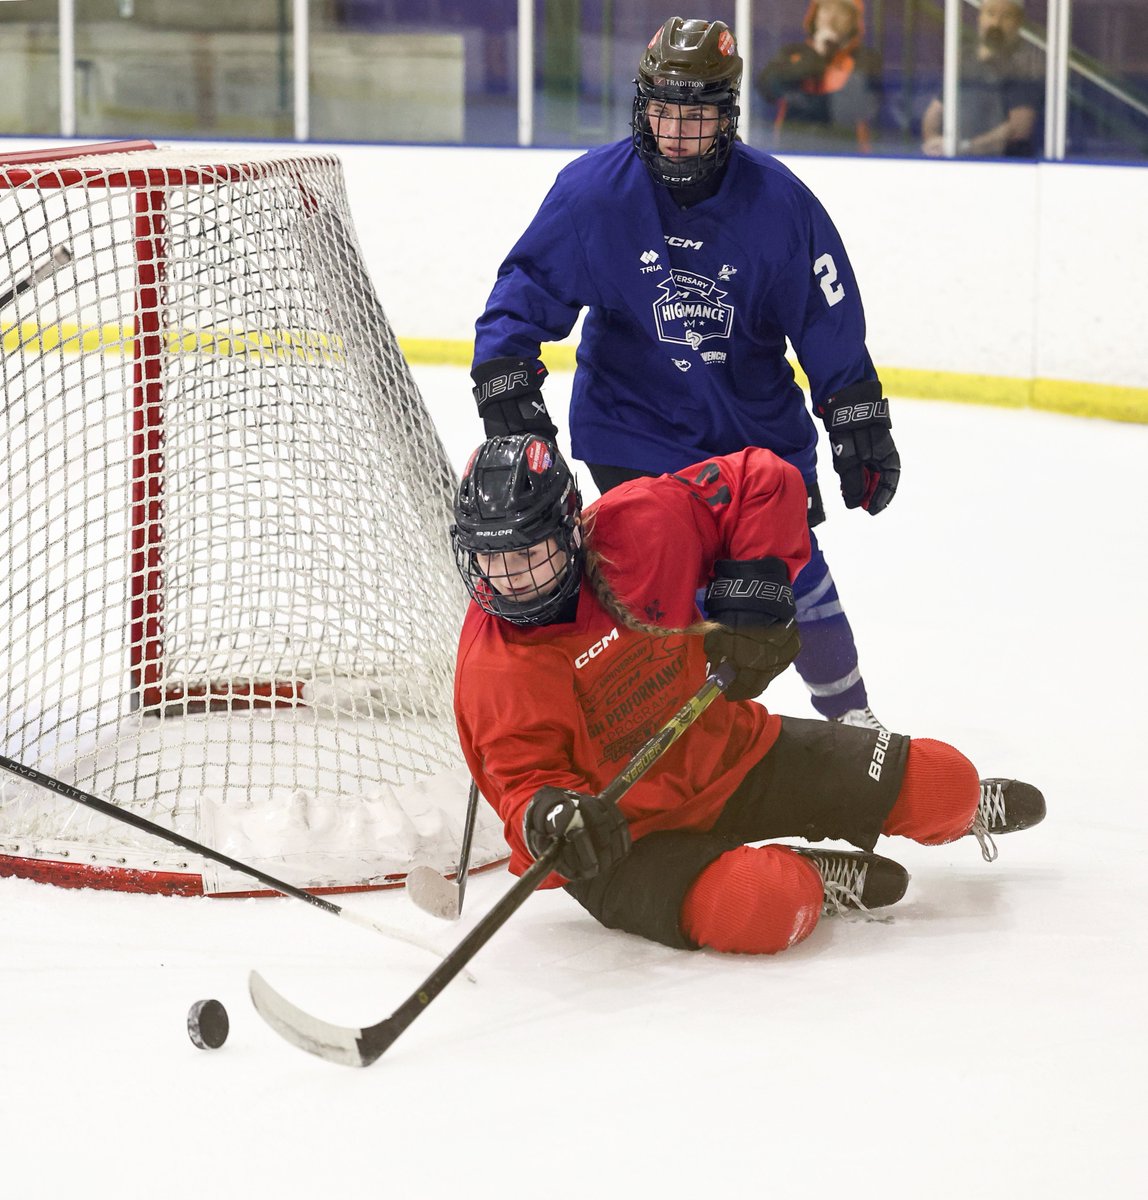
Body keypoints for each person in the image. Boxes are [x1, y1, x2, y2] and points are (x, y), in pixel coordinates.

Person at [450, 434, 1045, 955]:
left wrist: (755, 588)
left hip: (731, 754)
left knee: (947, 783)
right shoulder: (491, 668)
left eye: (527, 553)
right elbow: (520, 785)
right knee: (766, 903)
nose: (509, 578)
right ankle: (807, 876)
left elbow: (763, 479)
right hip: (627, 841)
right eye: (490, 557)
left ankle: (958, 811)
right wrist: (552, 816)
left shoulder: (640, 525)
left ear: (572, 530)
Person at [471, 15, 899, 731]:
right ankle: (673, 742)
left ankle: (855, 724)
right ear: (642, 107)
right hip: (632, 429)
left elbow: (827, 320)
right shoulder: (593, 193)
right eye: (663, 111)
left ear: (727, 116)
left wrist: (857, 417)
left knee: (796, 576)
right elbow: (527, 286)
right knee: (665, 584)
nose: (674, 133)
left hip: (755, 437)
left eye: (695, 116)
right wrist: (504, 369)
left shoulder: (779, 203)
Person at [756, 0, 884, 153]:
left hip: (846, 152)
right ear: (814, 15)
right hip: (792, 149)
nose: (831, 18)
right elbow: (768, 88)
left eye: (840, 12)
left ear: (853, 20)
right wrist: (816, 55)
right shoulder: (793, 53)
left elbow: (857, 107)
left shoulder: (866, 59)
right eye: (825, 10)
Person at [921, 0, 1044, 158]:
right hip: (959, 161)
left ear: (1018, 23)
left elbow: (1019, 128)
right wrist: (933, 141)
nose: (996, 22)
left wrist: (966, 147)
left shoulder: (1027, 66)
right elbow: (935, 112)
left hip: (1006, 165)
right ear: (980, 18)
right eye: (990, 14)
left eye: (1006, 16)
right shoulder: (965, 60)